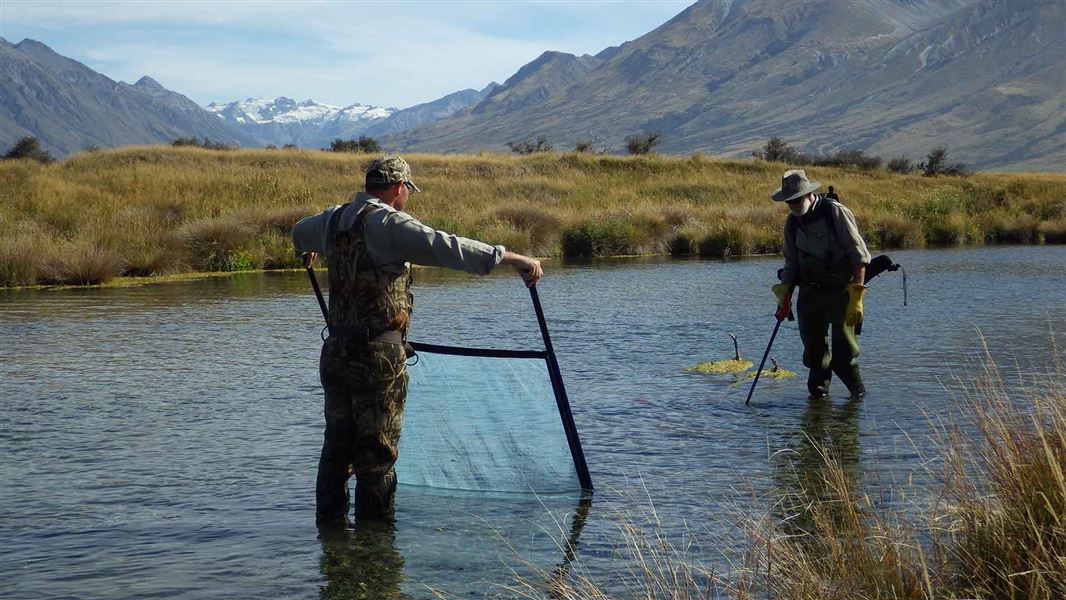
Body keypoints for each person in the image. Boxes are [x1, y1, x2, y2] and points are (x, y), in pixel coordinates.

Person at [292, 154, 543, 524]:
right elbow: (447, 246)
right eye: (407, 190)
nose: (407, 197)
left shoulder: (333, 218)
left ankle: (330, 539)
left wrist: (312, 245)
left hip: (336, 353)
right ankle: (376, 550)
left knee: (336, 450)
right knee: (376, 456)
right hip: (377, 358)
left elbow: (299, 232)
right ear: (398, 188)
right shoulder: (389, 224)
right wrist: (511, 258)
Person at [770, 169, 871, 399]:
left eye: (796, 199)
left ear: (808, 195)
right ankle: (817, 406)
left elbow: (860, 257)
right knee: (815, 356)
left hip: (842, 293)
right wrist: (784, 295)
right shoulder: (792, 223)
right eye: (789, 202)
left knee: (844, 357)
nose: (793, 205)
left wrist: (857, 298)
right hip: (810, 293)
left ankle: (859, 402)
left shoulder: (834, 212)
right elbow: (791, 261)